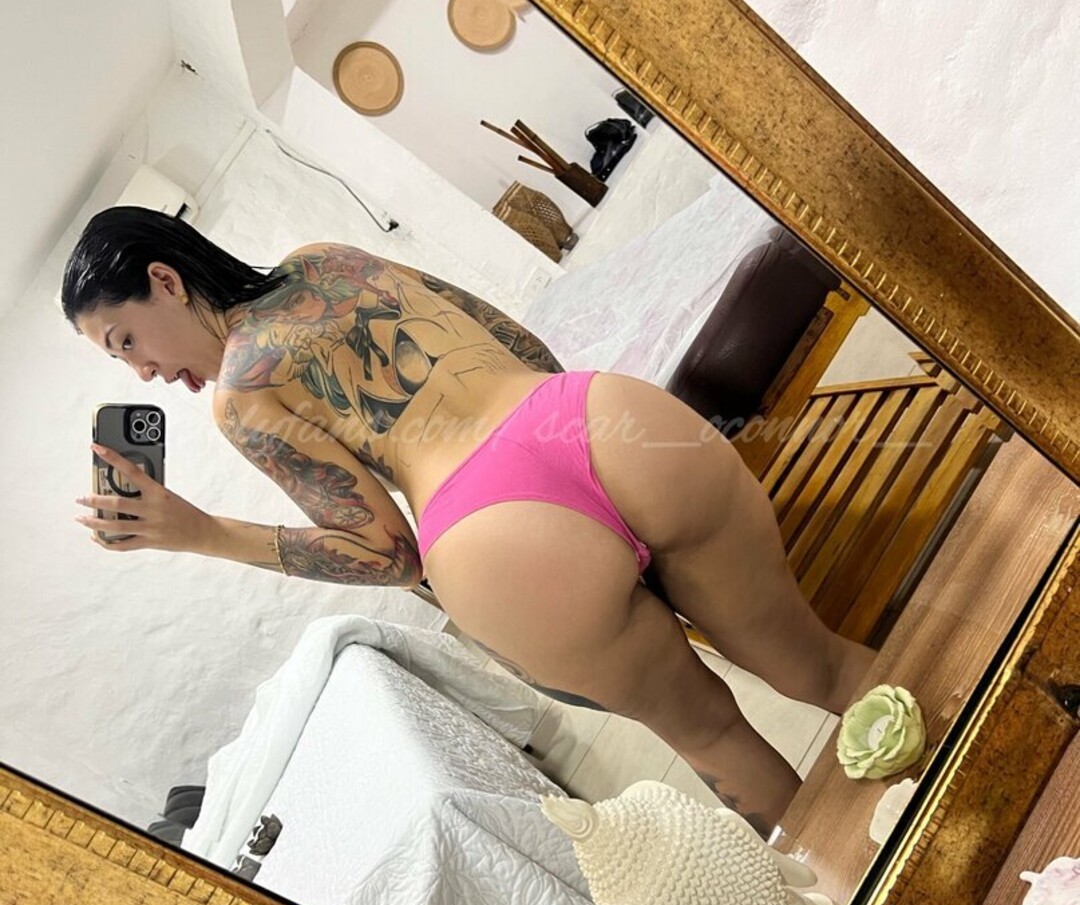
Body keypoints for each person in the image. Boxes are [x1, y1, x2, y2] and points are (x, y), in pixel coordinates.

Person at [65, 208, 875, 835]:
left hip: (492, 533)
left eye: (126, 339)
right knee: (821, 662)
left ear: (166, 280)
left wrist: (202, 532)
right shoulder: (324, 262)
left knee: (714, 735)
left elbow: (390, 555)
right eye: (119, 359)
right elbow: (513, 337)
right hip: (593, 420)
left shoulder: (242, 397)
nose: (142, 370)